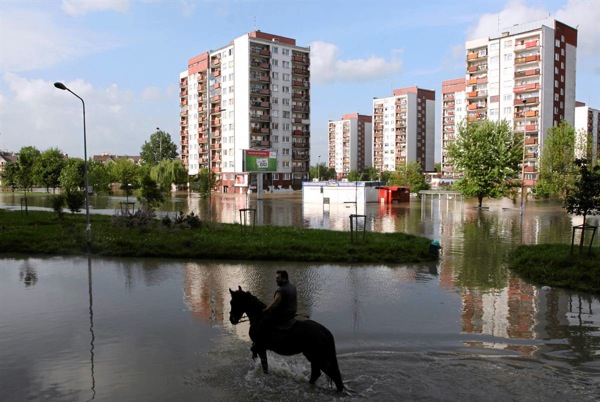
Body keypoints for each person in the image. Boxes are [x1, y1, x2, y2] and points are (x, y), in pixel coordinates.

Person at [251, 270, 297, 357]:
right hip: (291, 315)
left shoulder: (281, 290)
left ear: (284, 278)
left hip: (282, 317)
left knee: (262, 323)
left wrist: (266, 310)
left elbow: (275, 303)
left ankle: (259, 344)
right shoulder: (293, 287)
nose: (276, 280)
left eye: (278, 278)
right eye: (276, 278)